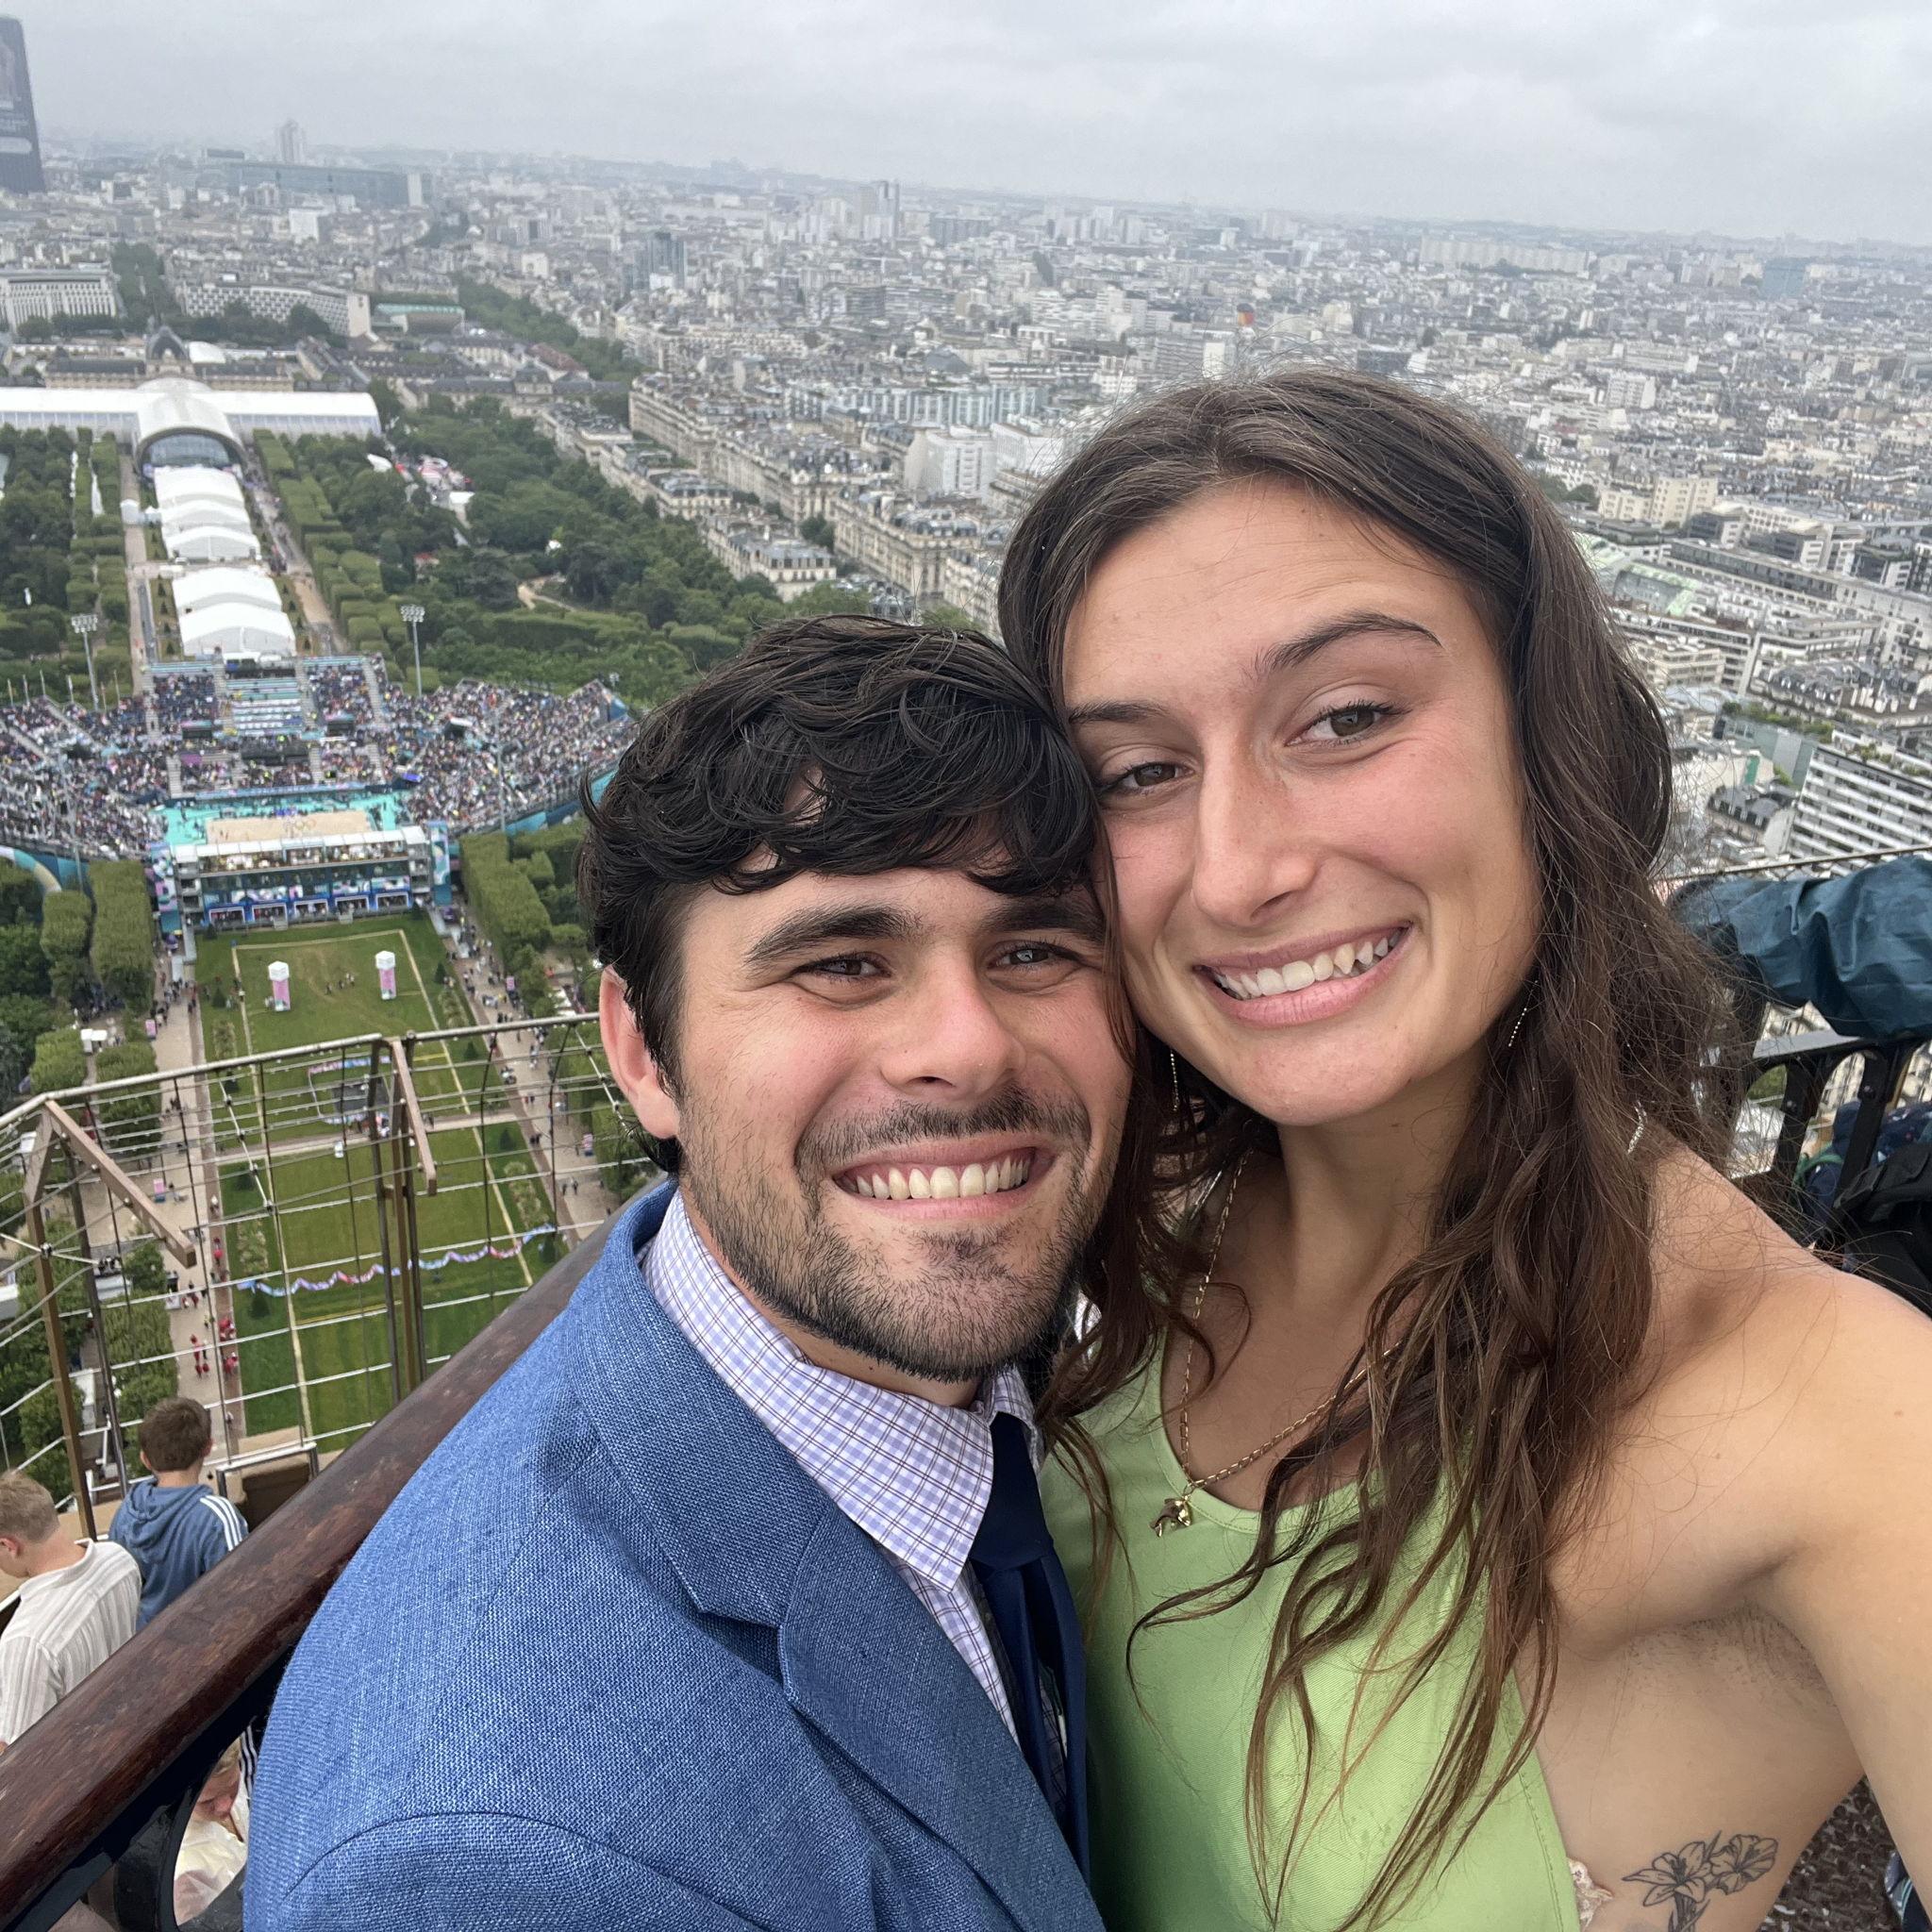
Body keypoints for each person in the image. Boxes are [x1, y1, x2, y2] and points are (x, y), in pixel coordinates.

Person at [999, 369, 1932, 1932]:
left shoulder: (1829, 1418)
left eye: (1347, 715)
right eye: (1136, 772)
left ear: (1543, 741)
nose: (1236, 866)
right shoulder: (1133, 1213)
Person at [248, 617, 1131, 1932]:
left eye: (1034, 951)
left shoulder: (1001, 1394)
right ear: (643, 1052)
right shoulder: (480, 1863)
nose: (967, 1045)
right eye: (841, 963)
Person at [0, 1472, 142, 1751]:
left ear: (8, 1545)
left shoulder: (27, 1641)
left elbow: (17, 1758)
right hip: (126, 1735)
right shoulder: (119, 1560)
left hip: (81, 1769)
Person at [110, 1395, 249, 1628]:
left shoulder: (125, 1514)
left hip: (142, 1652)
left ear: (145, 1459)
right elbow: (241, 1595)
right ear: (208, 1447)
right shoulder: (217, 1518)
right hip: (202, 1650)